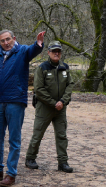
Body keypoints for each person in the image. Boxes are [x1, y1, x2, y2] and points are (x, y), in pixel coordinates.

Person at [0, 29, 46, 187]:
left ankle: (11, 174)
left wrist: (38, 43)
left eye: (8, 39)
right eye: (2, 40)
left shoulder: (22, 51)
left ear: (14, 38)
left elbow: (33, 50)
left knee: (14, 139)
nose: (6, 43)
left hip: (15, 101)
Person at [25, 41, 74, 172]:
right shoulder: (42, 68)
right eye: (54, 51)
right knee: (38, 134)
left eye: (58, 51)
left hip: (60, 108)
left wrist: (63, 101)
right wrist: (53, 103)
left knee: (62, 135)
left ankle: (63, 162)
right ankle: (30, 158)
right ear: (48, 52)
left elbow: (70, 85)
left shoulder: (65, 67)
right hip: (45, 108)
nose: (56, 53)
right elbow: (39, 89)